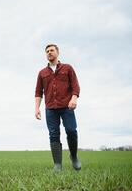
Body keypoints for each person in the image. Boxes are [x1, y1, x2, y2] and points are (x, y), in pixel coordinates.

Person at [35, 44, 81, 172]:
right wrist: (37, 108)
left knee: (71, 131)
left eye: (52, 50)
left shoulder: (68, 68)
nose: (49, 53)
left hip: (67, 107)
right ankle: (57, 164)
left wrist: (74, 98)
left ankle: (74, 156)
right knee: (54, 134)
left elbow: (76, 87)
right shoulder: (42, 73)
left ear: (58, 52)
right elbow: (38, 92)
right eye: (47, 51)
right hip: (50, 109)